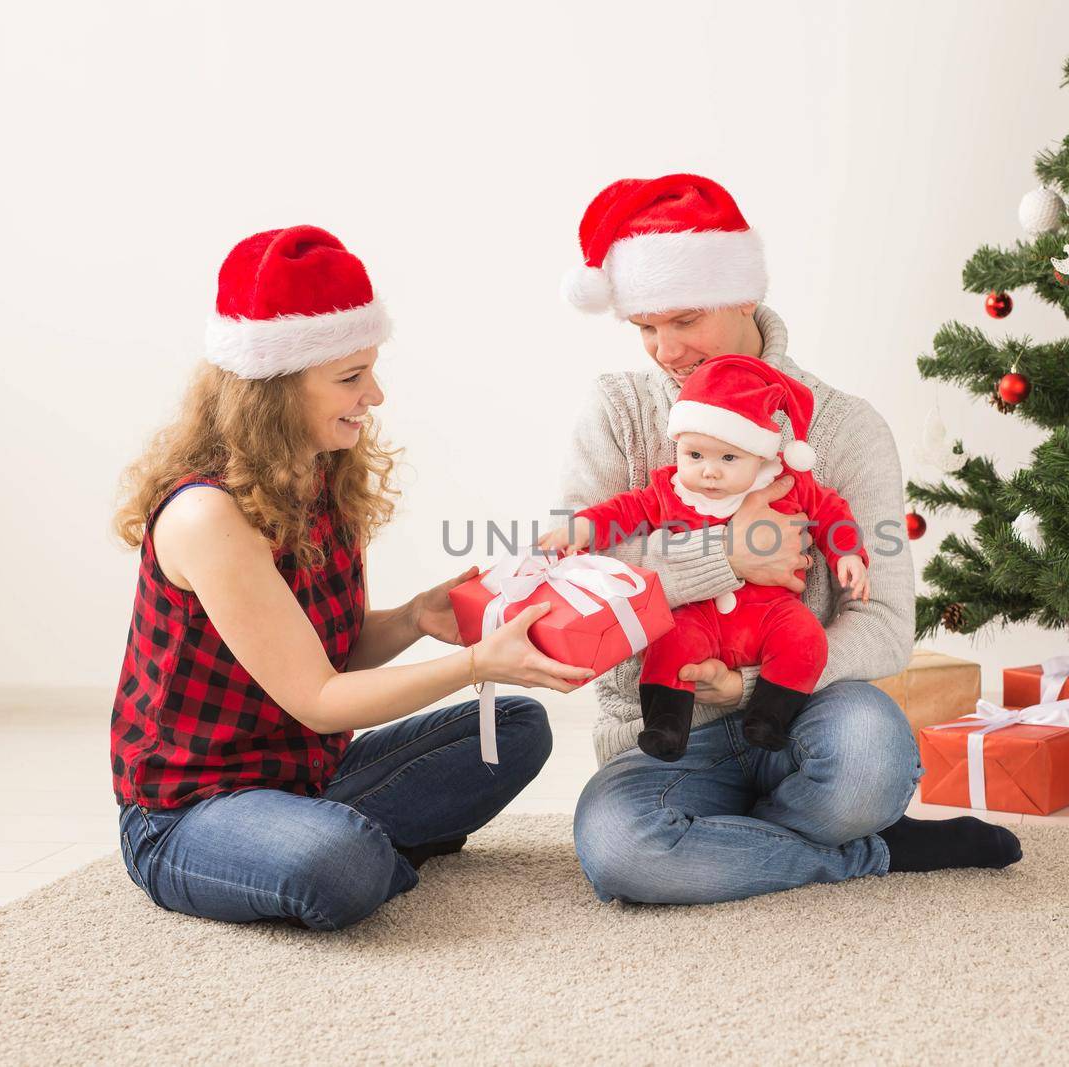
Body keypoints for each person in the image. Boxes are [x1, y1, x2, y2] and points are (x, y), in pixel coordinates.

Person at [558, 175, 1023, 904]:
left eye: (684, 319)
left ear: (744, 294)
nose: (666, 350)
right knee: (619, 850)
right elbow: (578, 582)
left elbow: (886, 626)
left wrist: (751, 685)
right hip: (670, 734)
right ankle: (861, 852)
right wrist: (724, 558)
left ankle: (746, 844)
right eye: (645, 328)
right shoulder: (618, 412)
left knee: (869, 762)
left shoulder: (845, 427)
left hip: (809, 711)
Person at [109, 225, 588, 930]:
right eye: (350, 378)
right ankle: (345, 847)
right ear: (273, 389)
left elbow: (328, 650)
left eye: (370, 369)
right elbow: (321, 698)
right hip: (188, 811)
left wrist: (415, 618)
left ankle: (334, 837)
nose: (376, 395)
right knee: (339, 861)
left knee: (516, 726)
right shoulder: (206, 515)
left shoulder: (321, 472)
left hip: (307, 778)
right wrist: (475, 662)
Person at [539, 353, 870, 760]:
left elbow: (831, 513)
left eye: (728, 458)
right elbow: (623, 512)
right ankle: (665, 725)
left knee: (805, 639)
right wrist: (583, 528)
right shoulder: (670, 489)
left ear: (759, 455)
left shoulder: (784, 484)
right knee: (669, 643)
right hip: (696, 614)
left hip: (770, 614)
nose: (709, 472)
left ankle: (770, 716)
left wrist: (848, 554)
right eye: (695, 456)